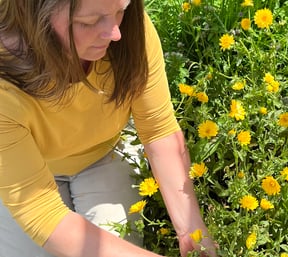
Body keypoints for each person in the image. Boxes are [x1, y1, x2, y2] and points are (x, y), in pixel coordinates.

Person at [0, 0, 218, 256]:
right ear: (32, 11)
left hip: (106, 154)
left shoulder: (130, 33)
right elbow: (41, 212)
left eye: (120, 12)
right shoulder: (5, 83)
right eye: (89, 22)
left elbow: (158, 129)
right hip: (24, 173)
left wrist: (192, 231)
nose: (115, 33)